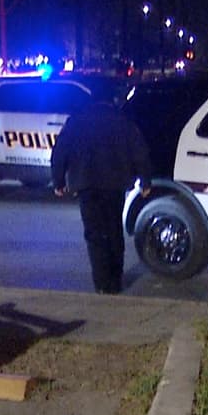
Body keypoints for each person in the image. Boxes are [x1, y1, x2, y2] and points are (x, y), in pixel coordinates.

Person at [50, 95, 152, 295]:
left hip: (86, 183)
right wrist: (145, 180)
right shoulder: (121, 120)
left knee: (95, 234)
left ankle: (101, 283)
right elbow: (139, 150)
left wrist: (59, 182)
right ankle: (115, 280)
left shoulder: (77, 120)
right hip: (115, 184)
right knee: (114, 231)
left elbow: (60, 151)